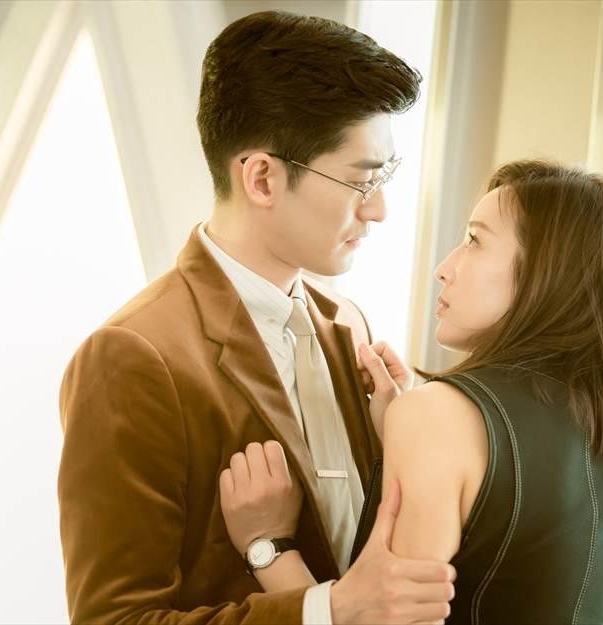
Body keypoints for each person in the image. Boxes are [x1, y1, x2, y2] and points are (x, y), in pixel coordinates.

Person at [57, 11, 455, 625]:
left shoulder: (348, 323)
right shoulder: (132, 358)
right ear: (263, 178)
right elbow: (114, 619)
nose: (378, 210)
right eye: (362, 180)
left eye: (386, 176)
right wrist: (326, 610)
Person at [220, 159, 603, 624]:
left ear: (547, 273)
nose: (444, 269)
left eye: (474, 240)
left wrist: (269, 547)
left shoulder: (436, 415)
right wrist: (401, 434)